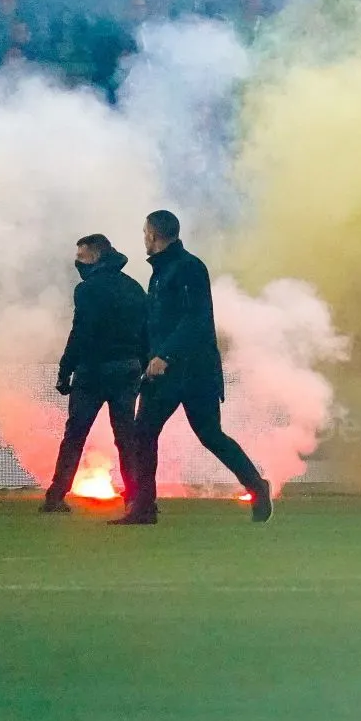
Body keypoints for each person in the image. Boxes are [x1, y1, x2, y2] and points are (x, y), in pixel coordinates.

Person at [114, 210, 272, 524]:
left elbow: (195, 318)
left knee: (208, 435)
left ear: (153, 235)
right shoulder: (161, 272)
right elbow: (155, 324)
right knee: (143, 434)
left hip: (192, 372)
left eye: (145, 232)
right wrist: (146, 357)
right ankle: (143, 507)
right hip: (166, 372)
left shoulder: (189, 268)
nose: (143, 238)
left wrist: (165, 355)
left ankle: (256, 485)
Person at [41, 234, 147, 514]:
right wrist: (144, 364)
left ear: (96, 256)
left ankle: (56, 495)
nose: (77, 262)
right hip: (127, 369)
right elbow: (147, 329)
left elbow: (80, 332)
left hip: (92, 371)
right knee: (126, 436)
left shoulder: (86, 290)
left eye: (81, 256)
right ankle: (136, 496)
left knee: (75, 434)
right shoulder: (133, 287)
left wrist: (65, 370)